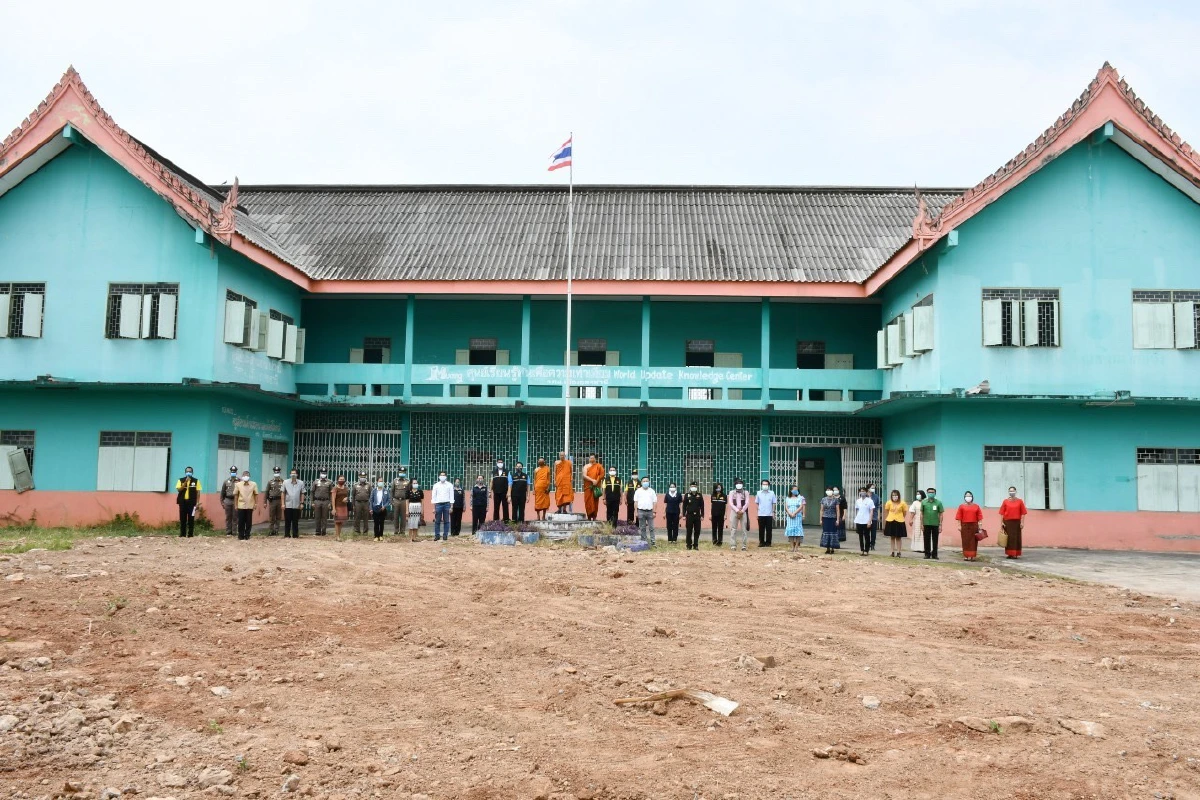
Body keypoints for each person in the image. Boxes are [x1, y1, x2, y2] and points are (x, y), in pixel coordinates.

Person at [998, 486, 1028, 559]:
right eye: (1010, 491)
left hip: (1016, 523)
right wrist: (1001, 523)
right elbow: (1002, 513)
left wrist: (1022, 522)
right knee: (1009, 539)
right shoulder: (1005, 501)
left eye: (1013, 491)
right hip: (1007, 523)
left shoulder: (1020, 501)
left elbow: (1023, 513)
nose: (1012, 492)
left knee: (1016, 538)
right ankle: (1009, 554)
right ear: (1008, 492)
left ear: (1015, 492)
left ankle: (1015, 553)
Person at [955, 490, 983, 561]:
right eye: (967, 496)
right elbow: (959, 516)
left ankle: (972, 556)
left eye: (969, 496)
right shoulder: (961, 506)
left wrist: (980, 525)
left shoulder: (976, 506)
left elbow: (979, 516)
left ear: (972, 497)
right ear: (964, 497)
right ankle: (966, 556)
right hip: (964, 525)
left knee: (973, 541)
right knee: (965, 541)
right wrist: (959, 525)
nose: (968, 497)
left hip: (974, 525)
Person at [175, 466, 201, 538]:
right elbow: (179, 490)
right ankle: (182, 534)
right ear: (185, 472)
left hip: (192, 503)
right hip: (182, 502)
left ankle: (190, 534)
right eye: (187, 471)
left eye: (190, 471)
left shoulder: (196, 481)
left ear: (192, 473)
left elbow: (198, 492)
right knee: (182, 518)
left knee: (191, 518)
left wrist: (197, 503)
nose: (188, 473)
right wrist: (185, 482)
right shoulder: (180, 480)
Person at [921, 487, 946, 560]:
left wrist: (940, 525)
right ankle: (927, 554)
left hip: (935, 524)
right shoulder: (924, 502)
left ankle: (934, 554)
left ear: (935, 494)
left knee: (935, 540)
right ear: (927, 493)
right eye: (929, 492)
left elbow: (941, 514)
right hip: (926, 523)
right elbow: (922, 514)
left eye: (932, 492)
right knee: (926, 539)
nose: (930, 493)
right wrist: (921, 524)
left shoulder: (938, 502)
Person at [233, 470, 258, 540]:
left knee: (248, 521)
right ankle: (240, 535)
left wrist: (256, 503)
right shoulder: (238, 484)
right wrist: (235, 505)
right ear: (242, 476)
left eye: (247, 475)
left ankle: (247, 535)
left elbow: (256, 494)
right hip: (241, 505)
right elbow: (236, 495)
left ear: (249, 476)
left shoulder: (254, 484)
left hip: (250, 505)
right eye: (244, 475)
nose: (246, 476)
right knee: (241, 521)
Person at [883, 489, 908, 557]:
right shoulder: (889, 502)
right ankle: (892, 551)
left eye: (896, 495)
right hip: (891, 520)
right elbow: (886, 511)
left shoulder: (902, 503)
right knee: (892, 537)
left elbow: (904, 512)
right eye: (893, 495)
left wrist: (900, 517)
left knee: (898, 537)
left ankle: (899, 552)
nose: (895, 497)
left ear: (898, 496)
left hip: (899, 521)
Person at [728, 479, 750, 551]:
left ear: (743, 484)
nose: (739, 484)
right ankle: (733, 545)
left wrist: (742, 511)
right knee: (733, 529)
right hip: (734, 511)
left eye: (740, 483)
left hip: (743, 512)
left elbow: (747, 503)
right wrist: (737, 511)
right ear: (735, 485)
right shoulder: (732, 492)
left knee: (744, 529)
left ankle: (744, 545)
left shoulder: (745, 492)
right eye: (737, 483)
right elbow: (730, 503)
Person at [634, 476, 657, 545]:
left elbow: (655, 502)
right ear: (641, 482)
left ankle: (653, 541)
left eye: (647, 481)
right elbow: (636, 502)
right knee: (642, 527)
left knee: (651, 527)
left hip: (650, 511)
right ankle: (644, 541)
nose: (645, 482)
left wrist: (654, 512)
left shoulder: (652, 491)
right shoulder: (638, 491)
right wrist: (636, 512)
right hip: (641, 511)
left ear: (649, 482)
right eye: (644, 481)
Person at [682, 482, 705, 550]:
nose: (693, 487)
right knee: (689, 531)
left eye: (694, 486)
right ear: (690, 487)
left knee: (697, 530)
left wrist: (702, 515)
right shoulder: (687, 495)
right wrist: (683, 515)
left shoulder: (699, 495)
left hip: (697, 516)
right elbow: (684, 506)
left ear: (697, 487)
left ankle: (696, 545)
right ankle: (689, 545)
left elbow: (702, 506)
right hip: (689, 515)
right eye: (692, 486)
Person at [282, 469, 305, 538]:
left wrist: (302, 503)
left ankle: (295, 534)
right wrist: (282, 504)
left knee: (295, 521)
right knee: (287, 520)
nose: (293, 475)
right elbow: (283, 493)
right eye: (292, 473)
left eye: (294, 473)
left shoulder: (301, 483)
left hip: (296, 505)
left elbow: (302, 493)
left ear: (297, 474)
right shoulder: (285, 482)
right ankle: (287, 534)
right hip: (288, 504)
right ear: (290, 474)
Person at [432, 470, 453, 541]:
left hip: (447, 504)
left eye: (444, 475)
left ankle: (445, 535)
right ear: (439, 476)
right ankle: (437, 535)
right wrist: (433, 508)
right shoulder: (436, 485)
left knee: (446, 521)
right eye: (441, 475)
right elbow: (433, 497)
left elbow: (451, 496)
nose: (442, 476)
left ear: (446, 476)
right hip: (438, 505)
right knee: (437, 521)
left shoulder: (450, 485)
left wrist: (451, 506)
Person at [854, 487, 875, 556]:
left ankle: (866, 550)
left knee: (867, 536)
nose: (862, 492)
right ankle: (862, 549)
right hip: (859, 520)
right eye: (861, 491)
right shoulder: (858, 501)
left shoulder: (870, 501)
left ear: (866, 492)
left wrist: (869, 521)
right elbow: (857, 510)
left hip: (866, 520)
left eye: (863, 491)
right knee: (860, 536)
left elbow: (871, 512)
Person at [756, 479, 778, 547]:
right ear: (761, 485)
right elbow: (757, 503)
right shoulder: (758, 493)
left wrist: (773, 512)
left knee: (769, 530)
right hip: (761, 514)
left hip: (769, 514)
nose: (765, 485)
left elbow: (774, 503)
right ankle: (761, 542)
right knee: (761, 529)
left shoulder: (772, 493)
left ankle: (768, 543)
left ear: (768, 485)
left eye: (766, 484)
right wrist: (757, 512)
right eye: (763, 484)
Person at [819, 487, 841, 553]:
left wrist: (837, 519)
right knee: (826, 532)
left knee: (833, 533)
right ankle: (827, 548)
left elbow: (837, 510)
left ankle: (832, 548)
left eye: (830, 490)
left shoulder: (836, 500)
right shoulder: (823, 499)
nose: (829, 491)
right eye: (827, 490)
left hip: (833, 518)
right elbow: (821, 510)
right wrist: (820, 519)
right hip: (825, 518)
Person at [583, 454, 604, 521]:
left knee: (595, 502)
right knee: (588, 501)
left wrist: (596, 481)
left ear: (595, 459)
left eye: (593, 458)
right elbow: (584, 476)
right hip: (588, 487)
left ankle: (594, 516)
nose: (591, 459)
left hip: (596, 487)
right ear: (589, 459)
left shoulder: (599, 466)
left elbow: (602, 475)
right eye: (590, 458)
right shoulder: (586, 466)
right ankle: (589, 516)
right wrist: (592, 480)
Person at [264, 467, 284, 536]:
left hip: (280, 501)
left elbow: (284, 492)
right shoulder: (270, 482)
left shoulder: (282, 481)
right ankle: (271, 530)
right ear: (274, 473)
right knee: (272, 516)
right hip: (272, 501)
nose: (276, 473)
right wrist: (265, 502)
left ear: (279, 473)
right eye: (275, 472)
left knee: (278, 516)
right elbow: (266, 492)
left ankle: (276, 530)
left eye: (278, 472)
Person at [311, 471, 332, 536]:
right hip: (317, 501)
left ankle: (323, 531)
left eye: (324, 473)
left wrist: (330, 502)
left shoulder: (329, 482)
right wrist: (312, 502)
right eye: (322, 473)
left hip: (326, 501)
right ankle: (317, 531)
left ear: (326, 474)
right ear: (320, 474)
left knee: (324, 517)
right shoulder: (316, 481)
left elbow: (331, 493)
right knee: (317, 517)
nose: (323, 474)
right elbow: (312, 492)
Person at [784, 485, 805, 552]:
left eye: (797, 489)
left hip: (797, 516)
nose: (796, 491)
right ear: (791, 490)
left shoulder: (800, 498)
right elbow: (786, 507)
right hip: (790, 516)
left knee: (797, 532)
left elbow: (801, 506)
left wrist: (794, 513)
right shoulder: (787, 498)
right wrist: (790, 513)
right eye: (794, 489)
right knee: (790, 531)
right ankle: (792, 547)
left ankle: (796, 547)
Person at [220, 466, 239, 536]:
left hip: (236, 500)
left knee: (235, 517)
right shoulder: (226, 481)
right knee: (228, 517)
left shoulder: (239, 481)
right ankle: (228, 532)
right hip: (227, 500)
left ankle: (234, 532)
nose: (233, 473)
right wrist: (222, 502)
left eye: (234, 472)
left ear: (236, 472)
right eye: (232, 472)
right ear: (230, 472)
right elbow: (222, 492)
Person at [391, 469, 410, 535]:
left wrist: (408, 502)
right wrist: (391, 501)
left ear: (405, 473)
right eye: (401, 472)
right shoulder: (395, 481)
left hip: (404, 501)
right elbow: (392, 491)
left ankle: (402, 531)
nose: (402, 473)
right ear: (398, 473)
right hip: (396, 500)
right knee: (395, 516)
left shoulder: (407, 481)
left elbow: (409, 492)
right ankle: (396, 531)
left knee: (403, 517)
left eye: (403, 472)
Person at [332, 476, 350, 540]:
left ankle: (339, 535)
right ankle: (337, 536)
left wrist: (346, 499)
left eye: (343, 479)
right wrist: (333, 508)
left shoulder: (346, 488)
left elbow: (347, 497)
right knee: (337, 522)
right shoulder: (335, 488)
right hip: (337, 506)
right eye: (340, 479)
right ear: (337, 480)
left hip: (344, 506)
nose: (342, 480)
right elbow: (333, 499)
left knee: (341, 522)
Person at [710, 483, 727, 547]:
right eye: (717, 487)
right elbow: (711, 505)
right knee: (714, 528)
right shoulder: (713, 495)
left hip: (721, 514)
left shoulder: (724, 496)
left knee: (720, 528)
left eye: (719, 487)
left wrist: (725, 514)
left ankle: (720, 541)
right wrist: (710, 514)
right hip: (714, 514)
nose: (718, 488)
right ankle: (714, 540)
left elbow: (726, 506)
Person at [868, 482, 881, 553]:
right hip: (866, 516)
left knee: (873, 532)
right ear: (868, 488)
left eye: (874, 488)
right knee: (866, 531)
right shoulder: (865, 496)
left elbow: (878, 506)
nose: (873, 489)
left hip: (874, 516)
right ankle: (867, 544)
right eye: (872, 488)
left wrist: (878, 515)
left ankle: (872, 544)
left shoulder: (876, 496)